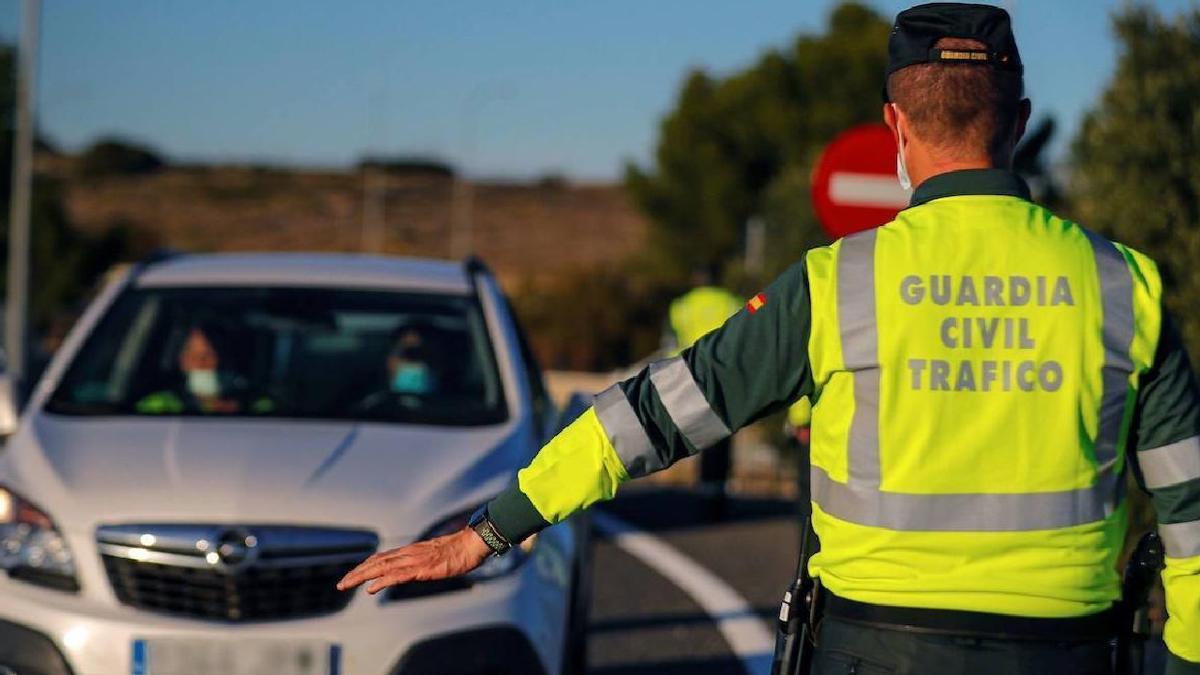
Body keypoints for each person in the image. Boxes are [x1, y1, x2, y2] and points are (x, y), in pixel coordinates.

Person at [338, 4, 1200, 673]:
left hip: (872, 652)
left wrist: (487, 530)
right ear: (1018, 122)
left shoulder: (838, 284)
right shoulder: (1127, 286)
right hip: (1070, 652)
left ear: (895, 129)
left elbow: (653, 416)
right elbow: (1192, 518)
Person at [663, 269, 743, 520]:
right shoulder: (731, 302)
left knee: (701, 434)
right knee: (723, 438)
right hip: (725, 378)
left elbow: (671, 344)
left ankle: (704, 491)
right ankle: (718, 492)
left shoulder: (682, 306)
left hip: (691, 377)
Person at [137, 323, 264, 414]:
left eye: (210, 355)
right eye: (194, 356)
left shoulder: (259, 406)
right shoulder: (158, 406)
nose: (202, 364)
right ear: (182, 362)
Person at [354, 323, 441, 414]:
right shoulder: (368, 409)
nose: (408, 363)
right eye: (403, 353)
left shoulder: (449, 416)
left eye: (416, 354)